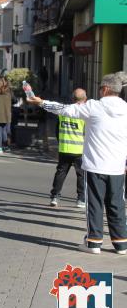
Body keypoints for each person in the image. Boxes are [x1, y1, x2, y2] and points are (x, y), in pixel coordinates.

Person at [28, 72, 127, 254]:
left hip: (96, 165)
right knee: (116, 204)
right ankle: (121, 243)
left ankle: (94, 242)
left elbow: (65, 109)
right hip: (117, 166)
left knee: (95, 204)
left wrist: (41, 102)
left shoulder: (94, 107)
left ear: (105, 89)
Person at [48, 88, 87, 208]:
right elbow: (87, 133)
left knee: (61, 172)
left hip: (64, 148)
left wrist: (61, 143)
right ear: (85, 99)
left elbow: (57, 131)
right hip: (79, 150)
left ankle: (55, 197)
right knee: (81, 175)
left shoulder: (64, 112)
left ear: (72, 99)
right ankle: (81, 199)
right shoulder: (84, 114)